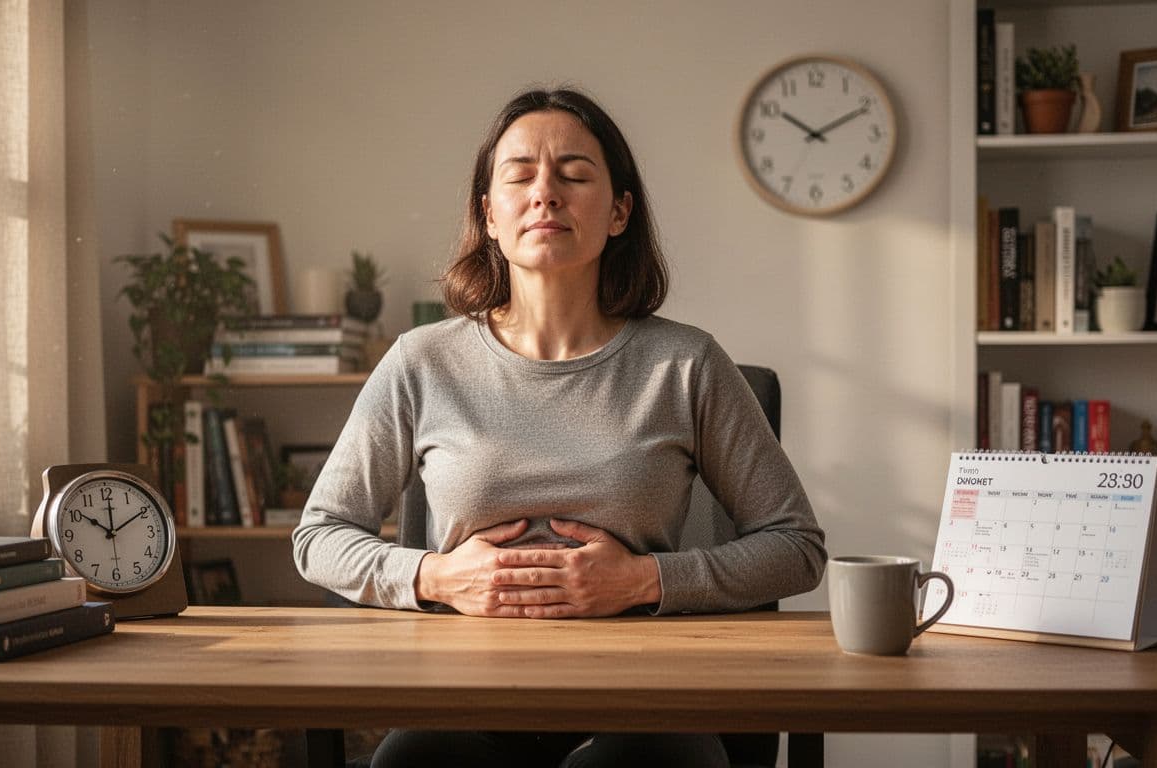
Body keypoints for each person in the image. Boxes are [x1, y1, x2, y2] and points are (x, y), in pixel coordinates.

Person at [292, 87, 826, 768]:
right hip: (462, 697)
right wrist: (438, 577)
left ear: (619, 212)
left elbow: (797, 547)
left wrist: (643, 581)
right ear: (489, 214)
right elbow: (320, 538)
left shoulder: (686, 363)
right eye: (519, 175)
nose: (546, 194)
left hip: (646, 704)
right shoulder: (421, 362)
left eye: (574, 175)